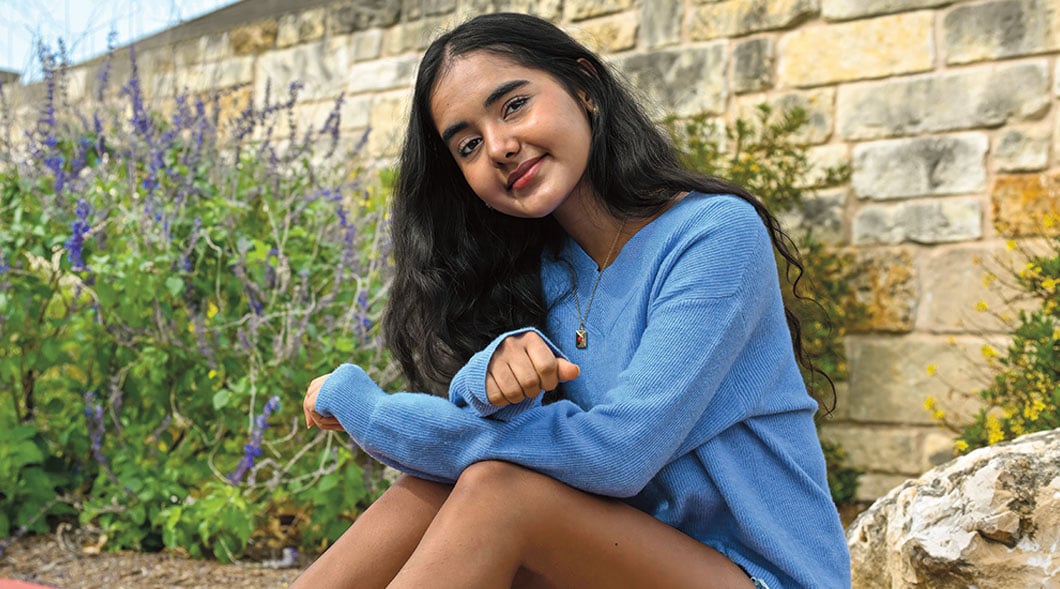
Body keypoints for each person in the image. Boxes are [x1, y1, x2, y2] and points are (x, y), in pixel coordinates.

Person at [294, 12, 850, 589]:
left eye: (513, 106)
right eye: (468, 144)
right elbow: (525, 445)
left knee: (497, 490)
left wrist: (371, 411)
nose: (501, 148)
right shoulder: (539, 275)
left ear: (584, 87)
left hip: (760, 578)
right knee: (435, 488)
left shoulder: (712, 236)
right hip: (606, 561)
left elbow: (615, 456)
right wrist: (484, 375)